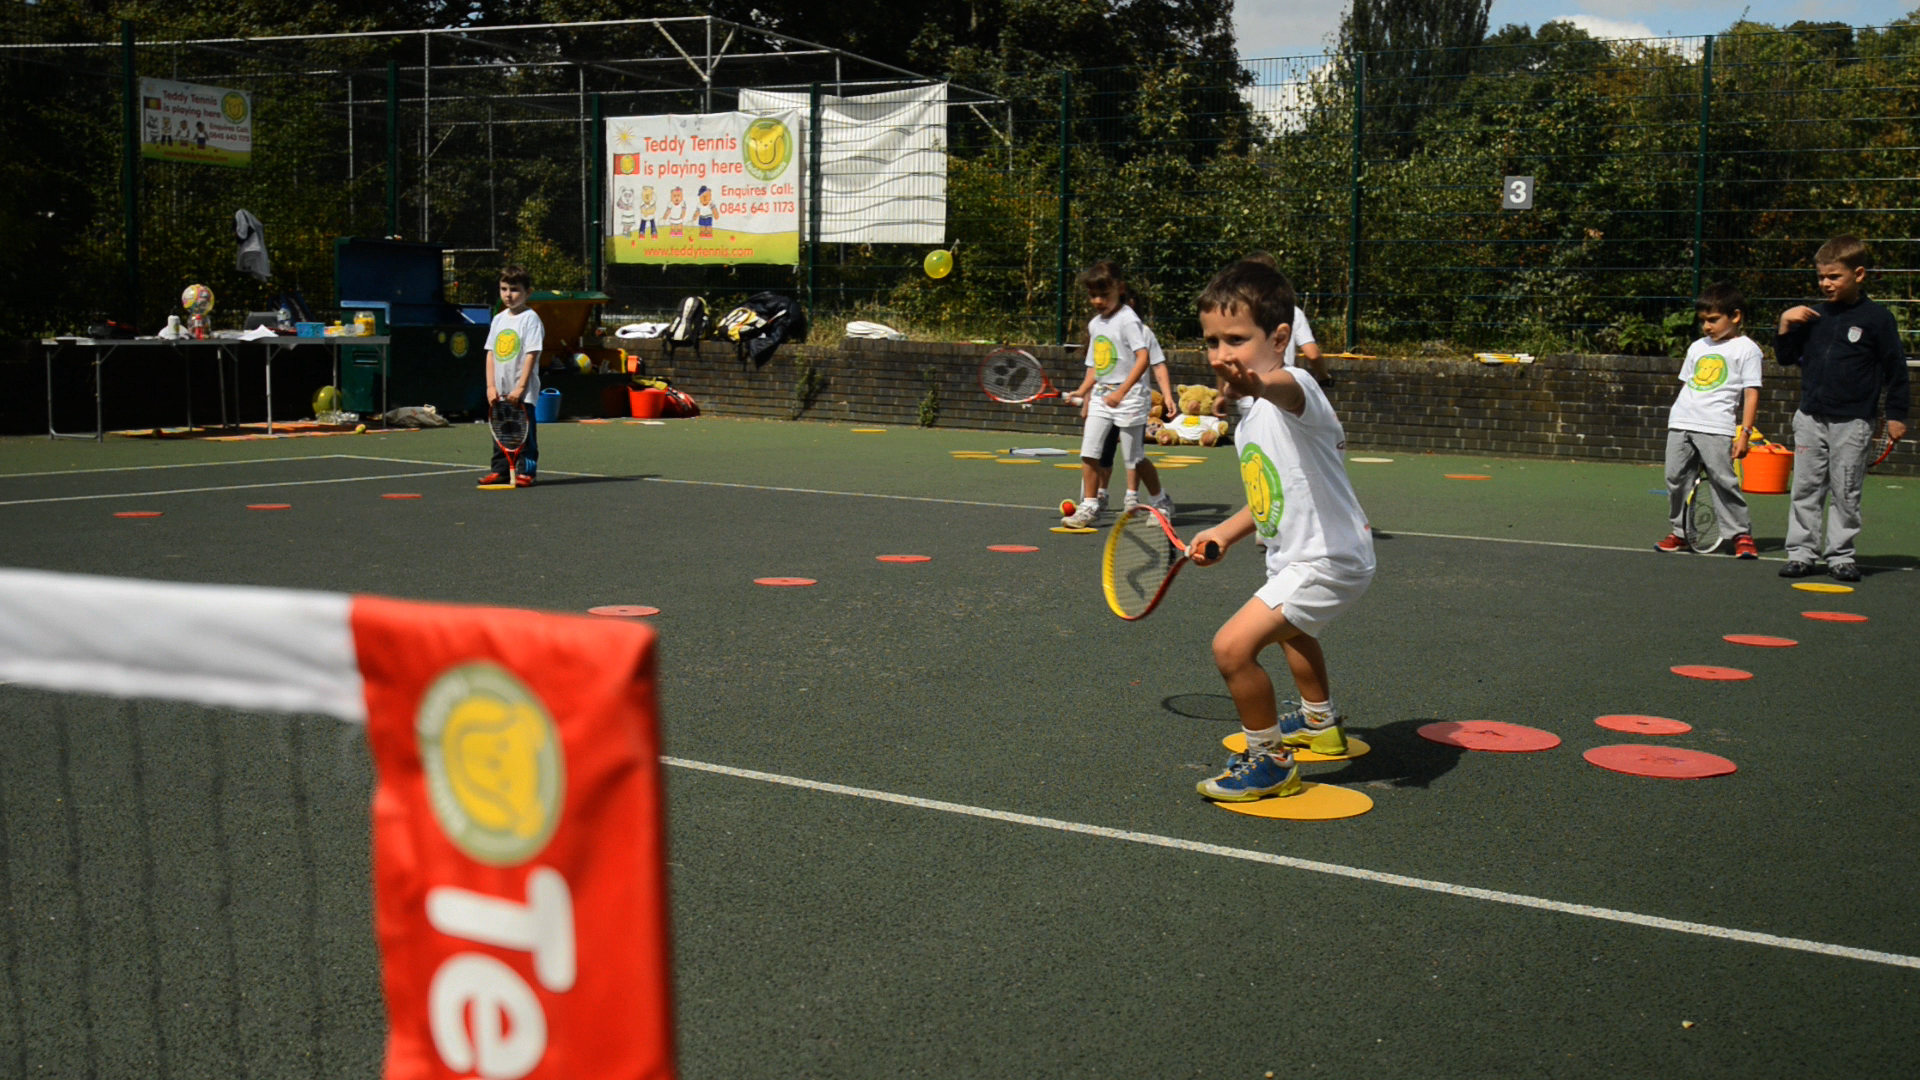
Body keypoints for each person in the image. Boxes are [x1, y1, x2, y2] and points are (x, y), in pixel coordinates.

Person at [1185, 259, 1375, 801]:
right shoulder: (1252, 415)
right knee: (1294, 631)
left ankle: (1269, 761)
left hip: (1326, 557)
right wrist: (1224, 530)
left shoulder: (1297, 391)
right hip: (1301, 554)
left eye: (1237, 339)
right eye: (1212, 341)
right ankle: (1320, 723)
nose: (1222, 354)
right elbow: (1269, 495)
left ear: (1281, 337)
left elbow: (1286, 386)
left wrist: (1258, 382)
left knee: (1231, 649)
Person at [1774, 235, 1910, 581]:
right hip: (1810, 417)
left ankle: (1841, 556)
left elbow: (1895, 369)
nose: (1825, 283)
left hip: (1853, 420)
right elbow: (1786, 357)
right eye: (1821, 277)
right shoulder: (1812, 315)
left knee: (1845, 488)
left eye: (1834, 276)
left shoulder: (1878, 318)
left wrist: (1896, 415)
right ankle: (1802, 553)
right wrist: (1785, 323)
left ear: (1858, 274)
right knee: (1806, 487)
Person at [1653, 282, 1763, 559]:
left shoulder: (1747, 349)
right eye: (1703, 321)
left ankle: (1740, 533)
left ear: (1735, 316)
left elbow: (1751, 394)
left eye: (1713, 320)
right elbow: (1687, 385)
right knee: (1675, 479)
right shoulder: (1697, 347)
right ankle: (1682, 533)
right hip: (1681, 422)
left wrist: (1745, 433)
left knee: (1723, 480)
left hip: (1717, 427)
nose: (1707, 327)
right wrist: (1678, 418)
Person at [1062, 262, 1172, 527]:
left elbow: (1143, 359)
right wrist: (1082, 390)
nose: (1098, 301)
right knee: (1089, 452)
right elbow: (1096, 367)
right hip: (1102, 396)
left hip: (1131, 397)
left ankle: (1160, 502)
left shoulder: (1128, 320)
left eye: (1104, 294)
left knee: (1135, 459)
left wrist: (1121, 392)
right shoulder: (1094, 325)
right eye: (1092, 295)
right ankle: (1089, 506)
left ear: (1120, 289)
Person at [1214, 252, 1327, 426]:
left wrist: (1221, 394)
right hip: (1279, 395)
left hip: (1247, 397)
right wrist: (1324, 376)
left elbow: (1224, 360)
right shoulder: (1293, 313)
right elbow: (1312, 354)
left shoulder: (1233, 314)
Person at [479, 265, 544, 488]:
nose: (508, 294)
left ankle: (527, 471)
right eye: (504, 289)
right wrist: (490, 386)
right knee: (501, 431)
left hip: (521, 392)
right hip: (500, 390)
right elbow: (490, 354)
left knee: (525, 435)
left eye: (514, 289)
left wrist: (520, 387)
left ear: (528, 292)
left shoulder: (530, 319)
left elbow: (531, 354)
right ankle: (500, 471)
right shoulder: (498, 320)